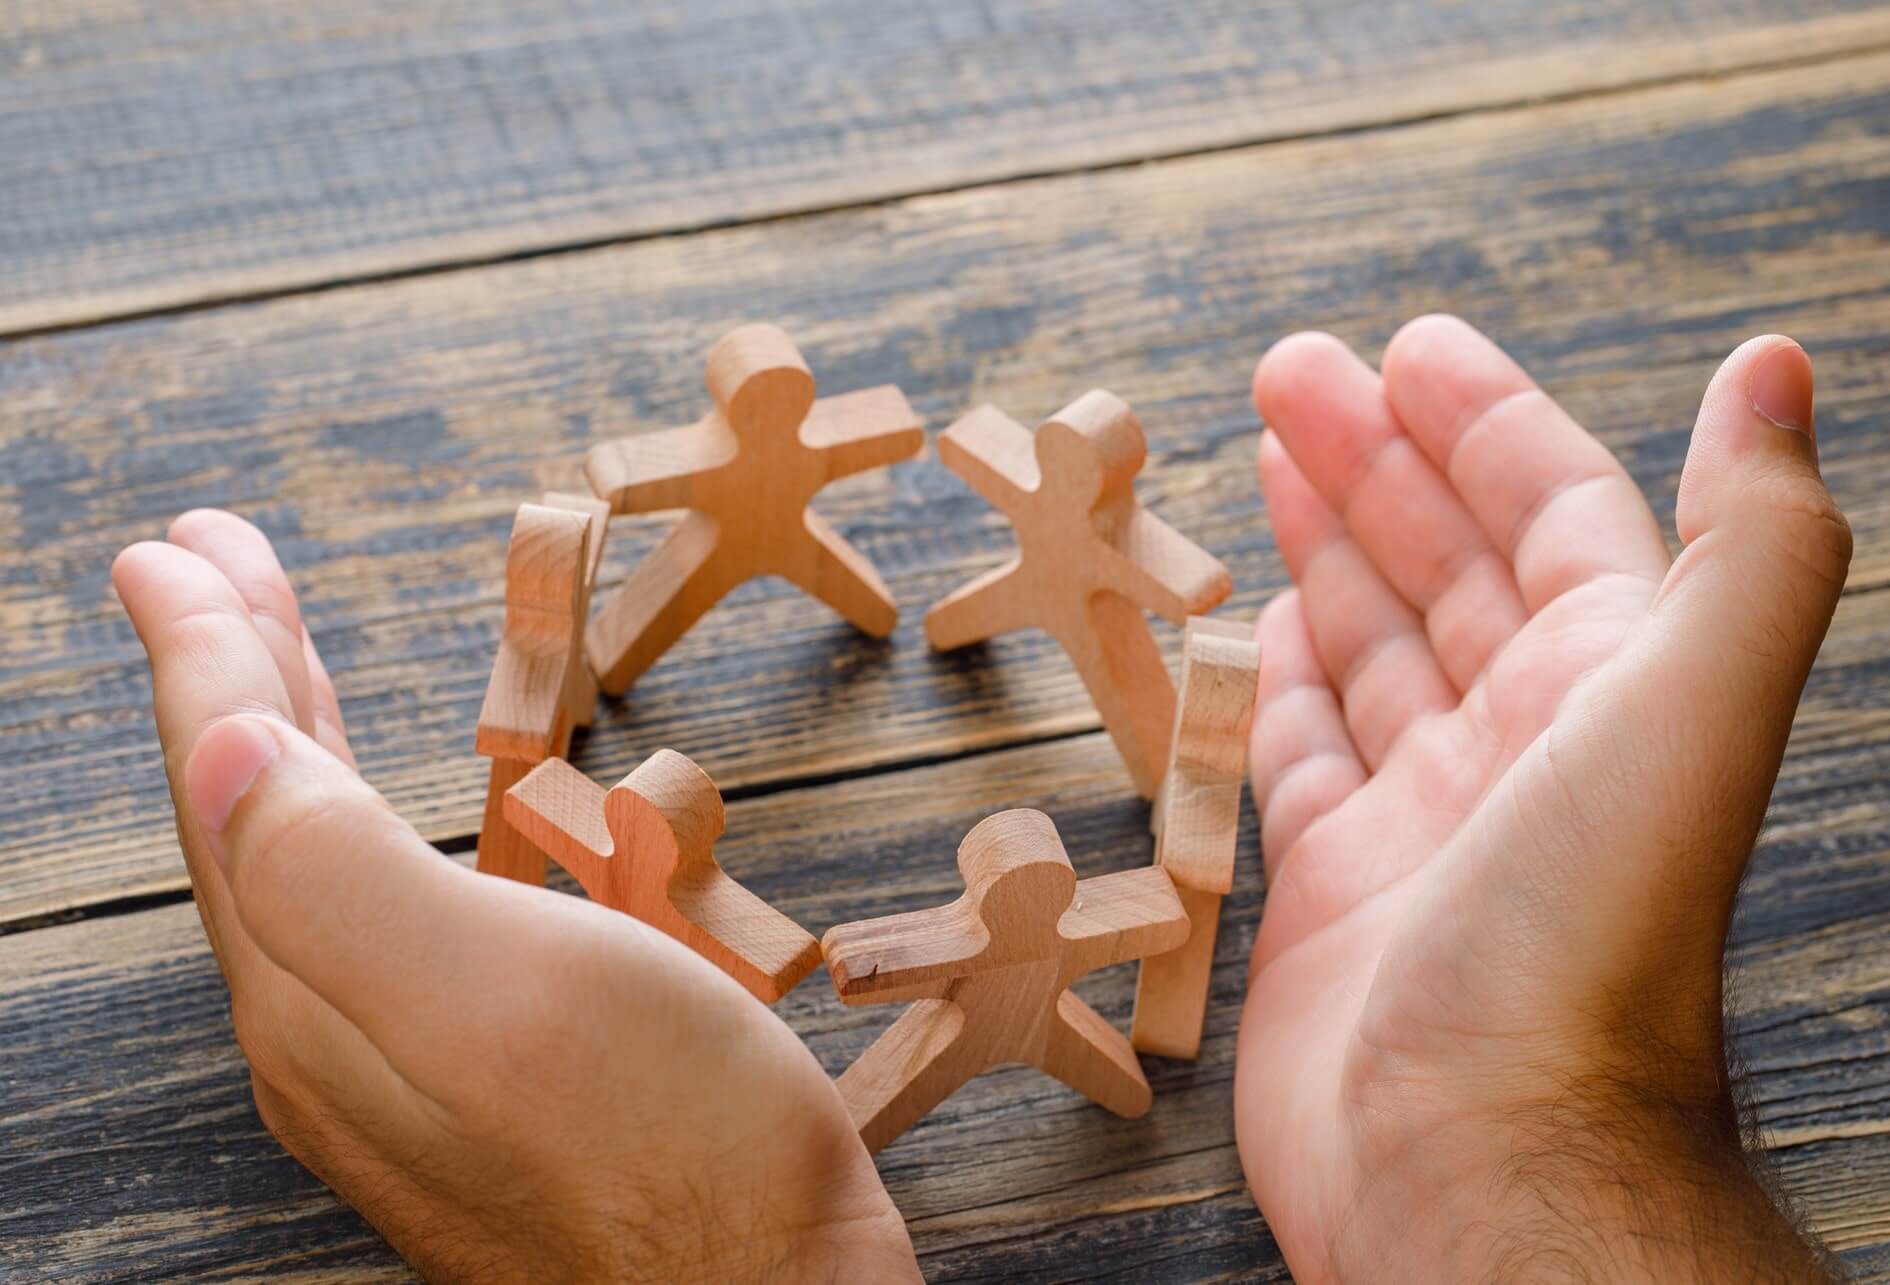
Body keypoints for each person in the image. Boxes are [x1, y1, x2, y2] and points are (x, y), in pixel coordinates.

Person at [114, 317, 1847, 1282]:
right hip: (997, 644)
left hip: (1050, 659)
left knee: (1096, 709)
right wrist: (1516, 1136)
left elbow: (879, 951)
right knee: (874, 636)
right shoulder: (694, 844)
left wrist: (748, 1256)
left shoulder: (1037, 905)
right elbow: (847, 943)